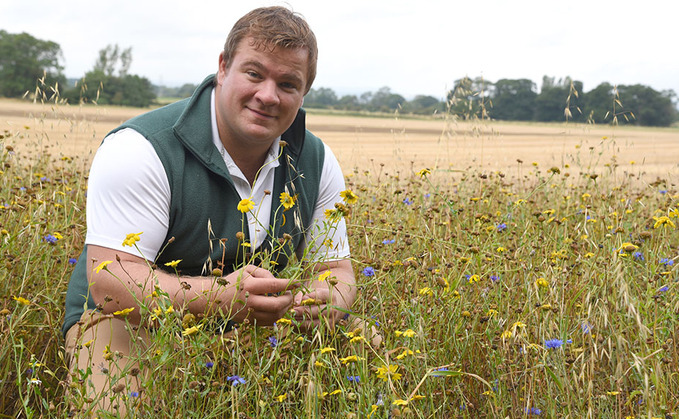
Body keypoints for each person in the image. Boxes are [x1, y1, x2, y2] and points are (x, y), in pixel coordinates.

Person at [62, 6, 356, 413]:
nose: (268, 95)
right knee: (119, 407)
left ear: (304, 93)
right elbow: (110, 282)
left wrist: (322, 303)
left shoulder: (317, 161)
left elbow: (338, 273)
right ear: (223, 67)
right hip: (128, 318)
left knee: (379, 367)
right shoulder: (141, 148)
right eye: (254, 74)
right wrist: (220, 298)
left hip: (259, 319)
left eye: (288, 83)